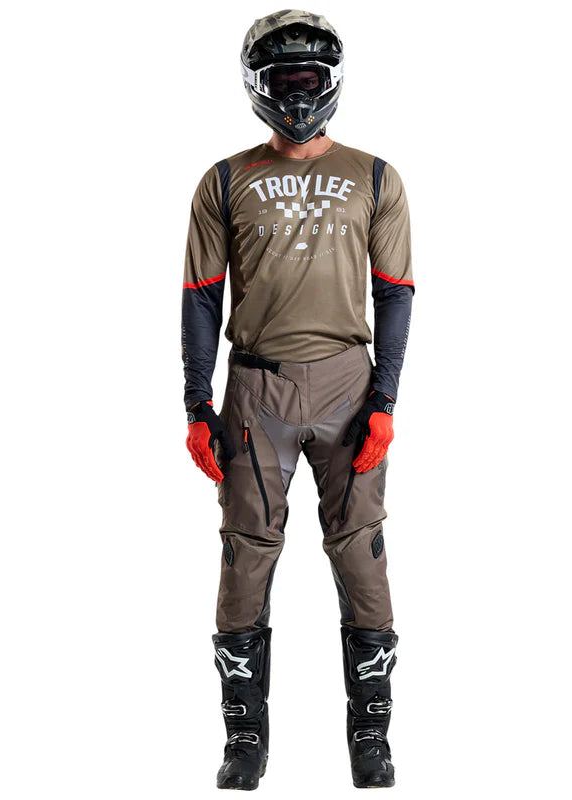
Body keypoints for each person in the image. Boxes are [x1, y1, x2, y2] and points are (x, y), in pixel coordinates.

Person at [181, 9, 414, 790]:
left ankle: (371, 735)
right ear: (259, 84)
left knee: (361, 551)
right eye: (285, 79)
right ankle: (244, 738)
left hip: (348, 380)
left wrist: (385, 400)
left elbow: (396, 291)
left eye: (310, 77)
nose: (298, 93)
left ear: (332, 81)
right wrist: (196, 405)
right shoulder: (223, 180)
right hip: (257, 387)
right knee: (245, 554)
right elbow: (201, 295)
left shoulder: (375, 176)